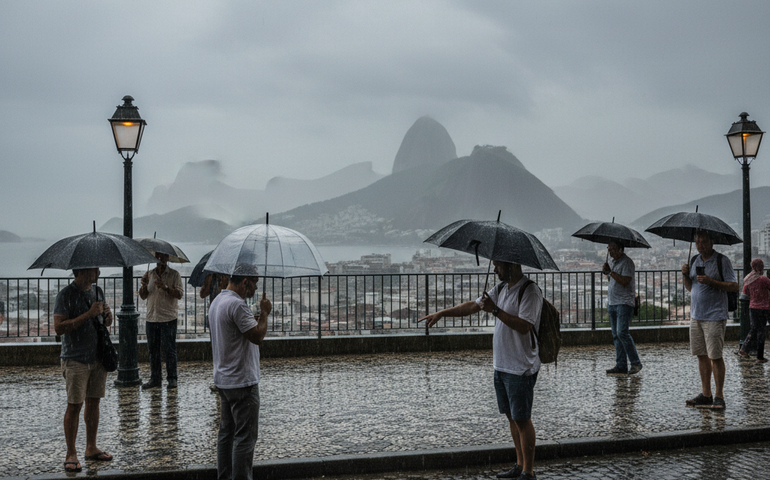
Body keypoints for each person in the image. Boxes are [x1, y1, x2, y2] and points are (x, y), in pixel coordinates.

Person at [419, 261, 542, 480]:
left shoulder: (529, 291)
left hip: (520, 366)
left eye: (498, 266)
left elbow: (525, 325)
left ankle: (528, 472)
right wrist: (442, 313)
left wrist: (494, 309)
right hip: (502, 364)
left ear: (511, 265)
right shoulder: (501, 288)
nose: (495, 270)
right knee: (512, 418)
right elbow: (473, 306)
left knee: (523, 419)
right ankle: (519, 464)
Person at [209, 275, 271, 480]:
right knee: (244, 438)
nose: (256, 287)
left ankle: (224, 476)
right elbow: (257, 337)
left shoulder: (218, 301)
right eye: (255, 282)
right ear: (245, 282)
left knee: (226, 435)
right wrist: (264, 313)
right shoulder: (237, 305)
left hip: (224, 380)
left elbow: (235, 332)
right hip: (242, 380)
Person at [53, 268, 114, 472]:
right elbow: (59, 327)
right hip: (75, 358)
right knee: (75, 405)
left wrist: (107, 317)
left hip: (97, 356)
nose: (98, 271)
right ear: (80, 271)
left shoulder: (97, 292)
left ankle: (91, 447)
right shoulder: (66, 295)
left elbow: (104, 323)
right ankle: (71, 453)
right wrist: (88, 314)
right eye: (93, 268)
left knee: (94, 402)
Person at [682, 231, 738, 410]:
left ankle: (719, 396)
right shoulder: (694, 261)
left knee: (715, 356)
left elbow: (734, 285)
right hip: (696, 315)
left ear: (712, 242)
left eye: (704, 241)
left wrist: (711, 281)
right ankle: (706, 394)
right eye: (697, 242)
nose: (700, 245)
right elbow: (691, 287)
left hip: (715, 316)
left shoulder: (722, 261)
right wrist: (684, 275)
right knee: (701, 355)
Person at [139, 252, 183, 390]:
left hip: (168, 317)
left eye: (164, 256)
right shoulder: (149, 274)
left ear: (167, 258)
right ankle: (155, 379)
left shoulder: (174, 275)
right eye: (158, 256)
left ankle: (172, 379)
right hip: (152, 318)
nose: (160, 259)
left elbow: (180, 294)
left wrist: (165, 287)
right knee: (153, 350)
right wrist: (143, 284)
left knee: (170, 349)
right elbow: (143, 296)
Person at [602, 241, 643, 375]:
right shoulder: (614, 262)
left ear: (621, 249)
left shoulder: (627, 263)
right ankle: (621, 365)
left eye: (613, 249)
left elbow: (625, 281)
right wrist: (608, 273)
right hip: (613, 303)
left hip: (624, 303)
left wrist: (611, 272)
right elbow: (612, 280)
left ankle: (636, 363)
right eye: (609, 248)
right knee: (616, 335)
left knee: (622, 333)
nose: (610, 252)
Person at [737, 258, 770, 363]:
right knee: (761, 332)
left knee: (753, 329)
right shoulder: (764, 279)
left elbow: (745, 292)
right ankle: (760, 357)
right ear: (761, 267)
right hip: (764, 308)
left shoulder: (748, 279)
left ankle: (744, 349)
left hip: (753, 307)